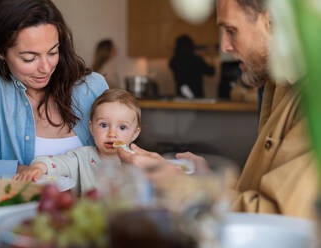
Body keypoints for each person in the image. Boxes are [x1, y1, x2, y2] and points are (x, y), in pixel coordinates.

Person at [118, 0, 318, 219]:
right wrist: (206, 180)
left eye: (231, 30)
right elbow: (262, 190)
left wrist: (182, 185)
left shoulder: (312, 96)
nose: (224, 46)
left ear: (271, 20)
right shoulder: (279, 82)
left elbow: (280, 218)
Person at [0, 0, 108, 178]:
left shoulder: (92, 87)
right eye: (29, 58)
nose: (46, 68)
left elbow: (120, 149)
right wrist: (22, 171)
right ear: (1, 52)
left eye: (53, 52)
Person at [13, 89, 141, 194]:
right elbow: (57, 163)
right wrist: (38, 167)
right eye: (103, 125)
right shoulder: (81, 157)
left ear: (135, 133)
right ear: (91, 128)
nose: (112, 134)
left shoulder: (139, 161)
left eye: (122, 127)